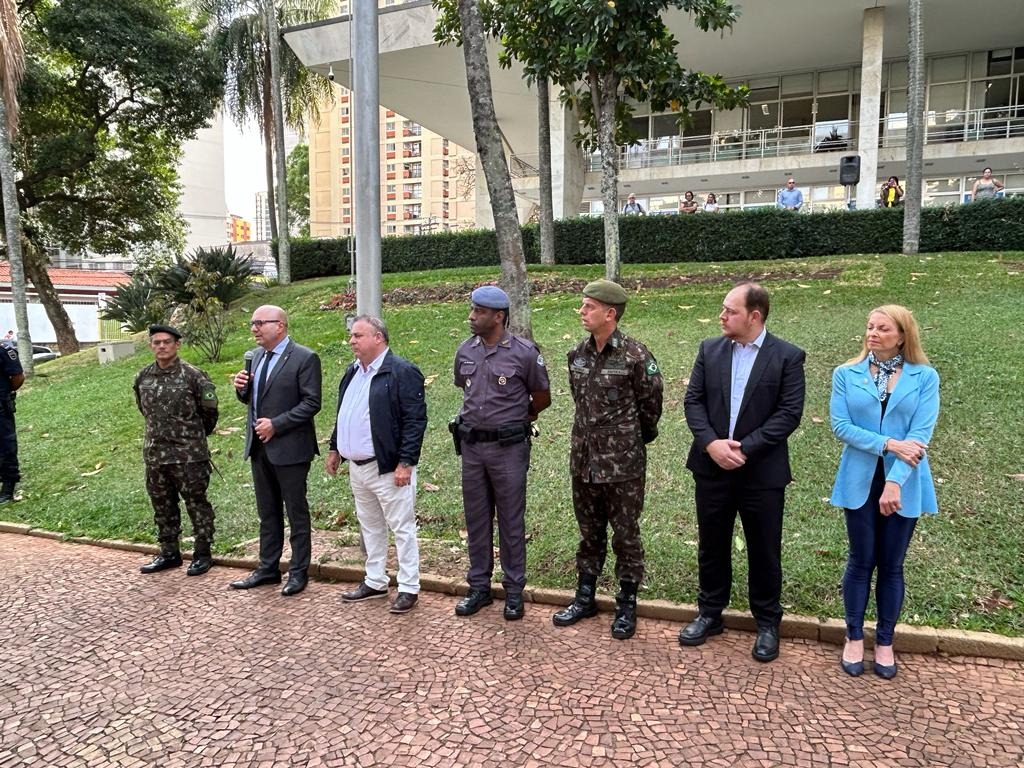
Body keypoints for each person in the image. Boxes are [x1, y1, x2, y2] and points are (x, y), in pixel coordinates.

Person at [679, 282, 806, 662]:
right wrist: (711, 444)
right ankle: (710, 613)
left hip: (761, 473)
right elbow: (693, 401)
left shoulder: (787, 357)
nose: (722, 316)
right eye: (722, 309)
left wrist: (744, 448)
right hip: (712, 467)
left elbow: (789, 414)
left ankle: (767, 623)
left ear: (755, 316)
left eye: (730, 311)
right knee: (712, 545)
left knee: (764, 550)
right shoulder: (709, 349)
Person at [830, 305, 939, 680]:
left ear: (903, 335)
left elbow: (920, 436)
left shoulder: (925, 377)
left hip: (904, 483)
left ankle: (887, 641)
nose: (872, 333)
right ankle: (854, 636)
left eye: (883, 328)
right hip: (859, 480)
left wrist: (894, 482)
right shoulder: (846, 373)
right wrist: (891, 443)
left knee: (892, 564)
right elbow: (841, 427)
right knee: (861, 560)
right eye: (869, 326)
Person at [553, 280, 663, 640]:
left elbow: (651, 407)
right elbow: (579, 402)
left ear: (609, 313)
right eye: (582, 306)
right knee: (589, 534)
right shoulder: (576, 356)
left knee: (626, 536)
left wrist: (631, 440)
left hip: (623, 465)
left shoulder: (636, 356)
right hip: (583, 461)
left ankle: (626, 604)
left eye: (588, 307)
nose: (581, 312)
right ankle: (585, 596)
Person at [453, 285, 551, 620]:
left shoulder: (524, 352)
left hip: (508, 449)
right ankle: (479, 587)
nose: (471, 316)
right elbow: (462, 389)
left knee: (510, 521)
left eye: (478, 312)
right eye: (472, 310)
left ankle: (513, 591)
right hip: (472, 449)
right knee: (477, 520)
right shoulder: (465, 350)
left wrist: (521, 418)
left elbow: (542, 397)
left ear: (499, 316)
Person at [326, 315, 428, 614]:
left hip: (388, 467)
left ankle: (409, 587)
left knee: (402, 528)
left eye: (358, 335)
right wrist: (335, 448)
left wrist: (406, 462)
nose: (351, 341)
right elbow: (344, 413)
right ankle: (375, 580)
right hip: (358, 468)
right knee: (370, 527)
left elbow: (415, 421)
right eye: (351, 336)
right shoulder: (352, 372)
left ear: (378, 338)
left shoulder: (402, 371)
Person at [230, 305, 322, 596]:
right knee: (267, 513)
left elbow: (311, 403)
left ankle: (298, 572)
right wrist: (241, 389)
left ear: (280, 326)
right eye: (252, 323)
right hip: (259, 448)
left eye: (260, 323)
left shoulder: (305, 358)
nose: (254, 328)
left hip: (291, 448)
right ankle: (268, 568)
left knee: (296, 512)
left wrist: (277, 425)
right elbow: (255, 400)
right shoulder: (255, 357)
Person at [133, 324, 219, 575]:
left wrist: (191, 438)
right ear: (151, 346)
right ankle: (169, 553)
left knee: (196, 503)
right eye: (156, 342)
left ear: (177, 345)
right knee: (162, 505)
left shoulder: (194, 375)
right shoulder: (143, 377)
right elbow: (143, 410)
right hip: (156, 455)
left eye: (167, 342)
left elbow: (210, 413)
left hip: (189, 456)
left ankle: (203, 553)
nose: (161, 346)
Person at [0, 340, 25, 504]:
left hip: (0, 408)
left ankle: (7, 490)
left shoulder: (4, 351)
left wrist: (5, 393)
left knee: (6, 447)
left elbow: (18, 377)